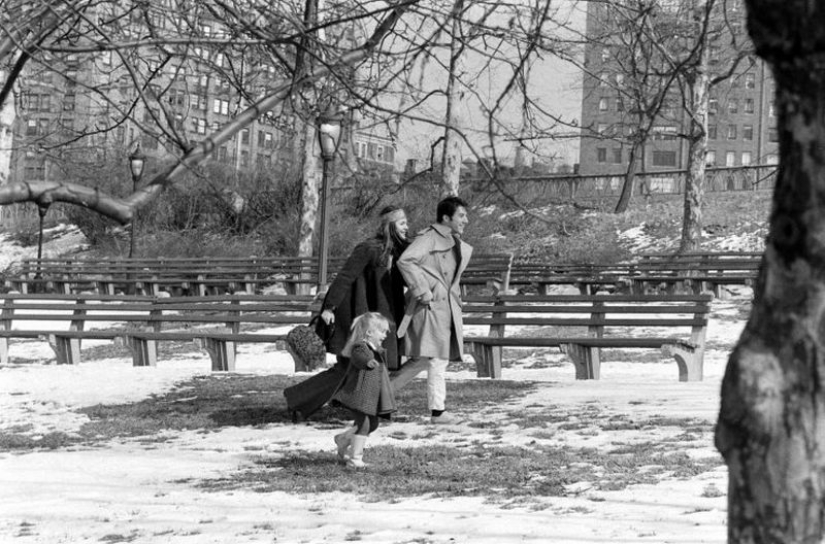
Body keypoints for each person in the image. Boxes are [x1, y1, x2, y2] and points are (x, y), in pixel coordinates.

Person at [283, 205, 410, 421]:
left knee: (372, 365)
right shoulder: (369, 248)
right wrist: (329, 307)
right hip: (361, 318)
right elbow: (345, 277)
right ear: (389, 226)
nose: (407, 227)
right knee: (347, 368)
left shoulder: (398, 252)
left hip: (384, 317)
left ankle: (372, 409)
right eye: (402, 223)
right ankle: (297, 399)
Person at [392, 195, 472, 424]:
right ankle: (438, 412)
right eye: (461, 215)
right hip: (430, 307)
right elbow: (406, 261)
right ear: (446, 218)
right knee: (437, 358)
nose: (465, 220)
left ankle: (376, 397)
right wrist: (423, 290)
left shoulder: (452, 240)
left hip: (444, 307)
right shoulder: (429, 238)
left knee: (424, 359)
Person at [330, 312, 396, 468]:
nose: (385, 335)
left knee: (373, 424)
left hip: (370, 397)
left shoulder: (375, 349)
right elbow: (359, 357)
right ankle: (355, 460)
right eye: (382, 331)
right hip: (358, 395)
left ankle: (343, 439)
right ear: (369, 332)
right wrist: (368, 361)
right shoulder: (360, 347)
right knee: (364, 425)